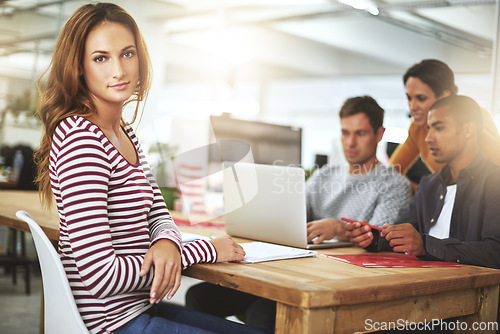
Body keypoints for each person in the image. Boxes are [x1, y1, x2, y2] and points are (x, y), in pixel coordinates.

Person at [33, 3, 261, 334]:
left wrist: (167, 243)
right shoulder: (81, 139)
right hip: (112, 324)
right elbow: (100, 275)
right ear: (79, 67)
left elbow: (158, 213)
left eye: (127, 54)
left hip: (139, 309)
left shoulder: (124, 134)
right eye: (101, 58)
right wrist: (206, 248)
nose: (119, 70)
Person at [185, 96, 413, 333]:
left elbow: (378, 238)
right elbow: (292, 212)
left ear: (379, 134)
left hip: (335, 282)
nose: (350, 142)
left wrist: (338, 228)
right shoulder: (325, 175)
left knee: (261, 314)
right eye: (345, 133)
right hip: (295, 270)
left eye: (360, 133)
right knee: (199, 297)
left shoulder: (394, 184)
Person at [347, 95, 500, 269]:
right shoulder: (429, 184)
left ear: (468, 130)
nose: (428, 138)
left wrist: (426, 245)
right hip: (423, 283)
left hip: (469, 291)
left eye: (439, 128)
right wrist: (372, 238)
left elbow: (495, 251)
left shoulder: (494, 181)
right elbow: (402, 233)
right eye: (429, 129)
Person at [389, 59, 500, 183]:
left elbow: (496, 172)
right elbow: (391, 172)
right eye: (409, 98)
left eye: (421, 98)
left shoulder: (475, 116)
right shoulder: (417, 128)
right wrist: (419, 192)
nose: (412, 106)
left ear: (444, 96)